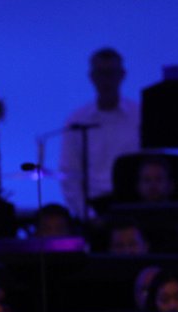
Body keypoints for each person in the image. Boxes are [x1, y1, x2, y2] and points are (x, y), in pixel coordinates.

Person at [58, 48, 141, 219]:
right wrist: (87, 214)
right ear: (92, 77)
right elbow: (70, 173)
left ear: (122, 75)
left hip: (135, 202)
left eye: (111, 73)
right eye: (101, 73)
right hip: (95, 206)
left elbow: (154, 162)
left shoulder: (140, 116)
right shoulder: (77, 121)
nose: (106, 80)